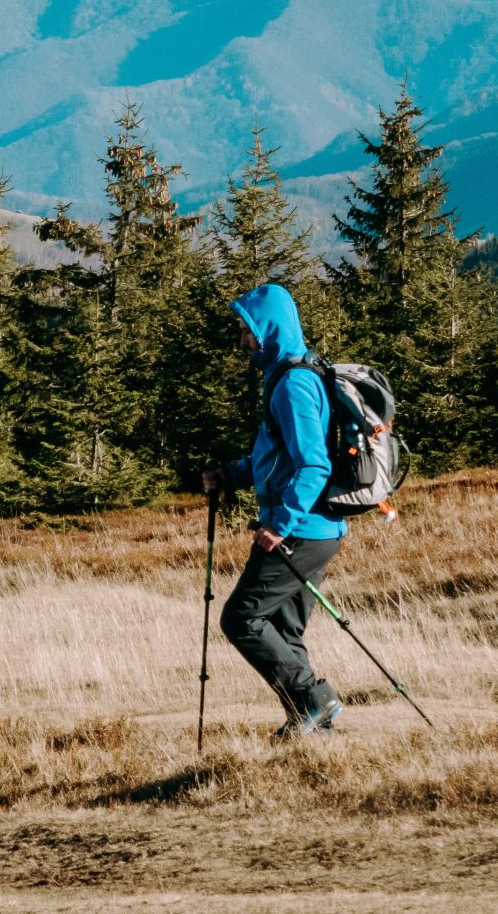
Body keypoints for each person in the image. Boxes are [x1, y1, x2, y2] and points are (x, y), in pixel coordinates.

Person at [199, 282, 345, 738]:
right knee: (284, 630)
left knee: (240, 618)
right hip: (318, 528)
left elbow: (314, 464)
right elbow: (276, 455)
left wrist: (281, 523)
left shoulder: (293, 385)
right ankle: (314, 730)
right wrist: (232, 475)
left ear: (266, 330)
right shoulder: (289, 375)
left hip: (301, 529)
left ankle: (311, 702)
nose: (241, 339)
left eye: (246, 329)